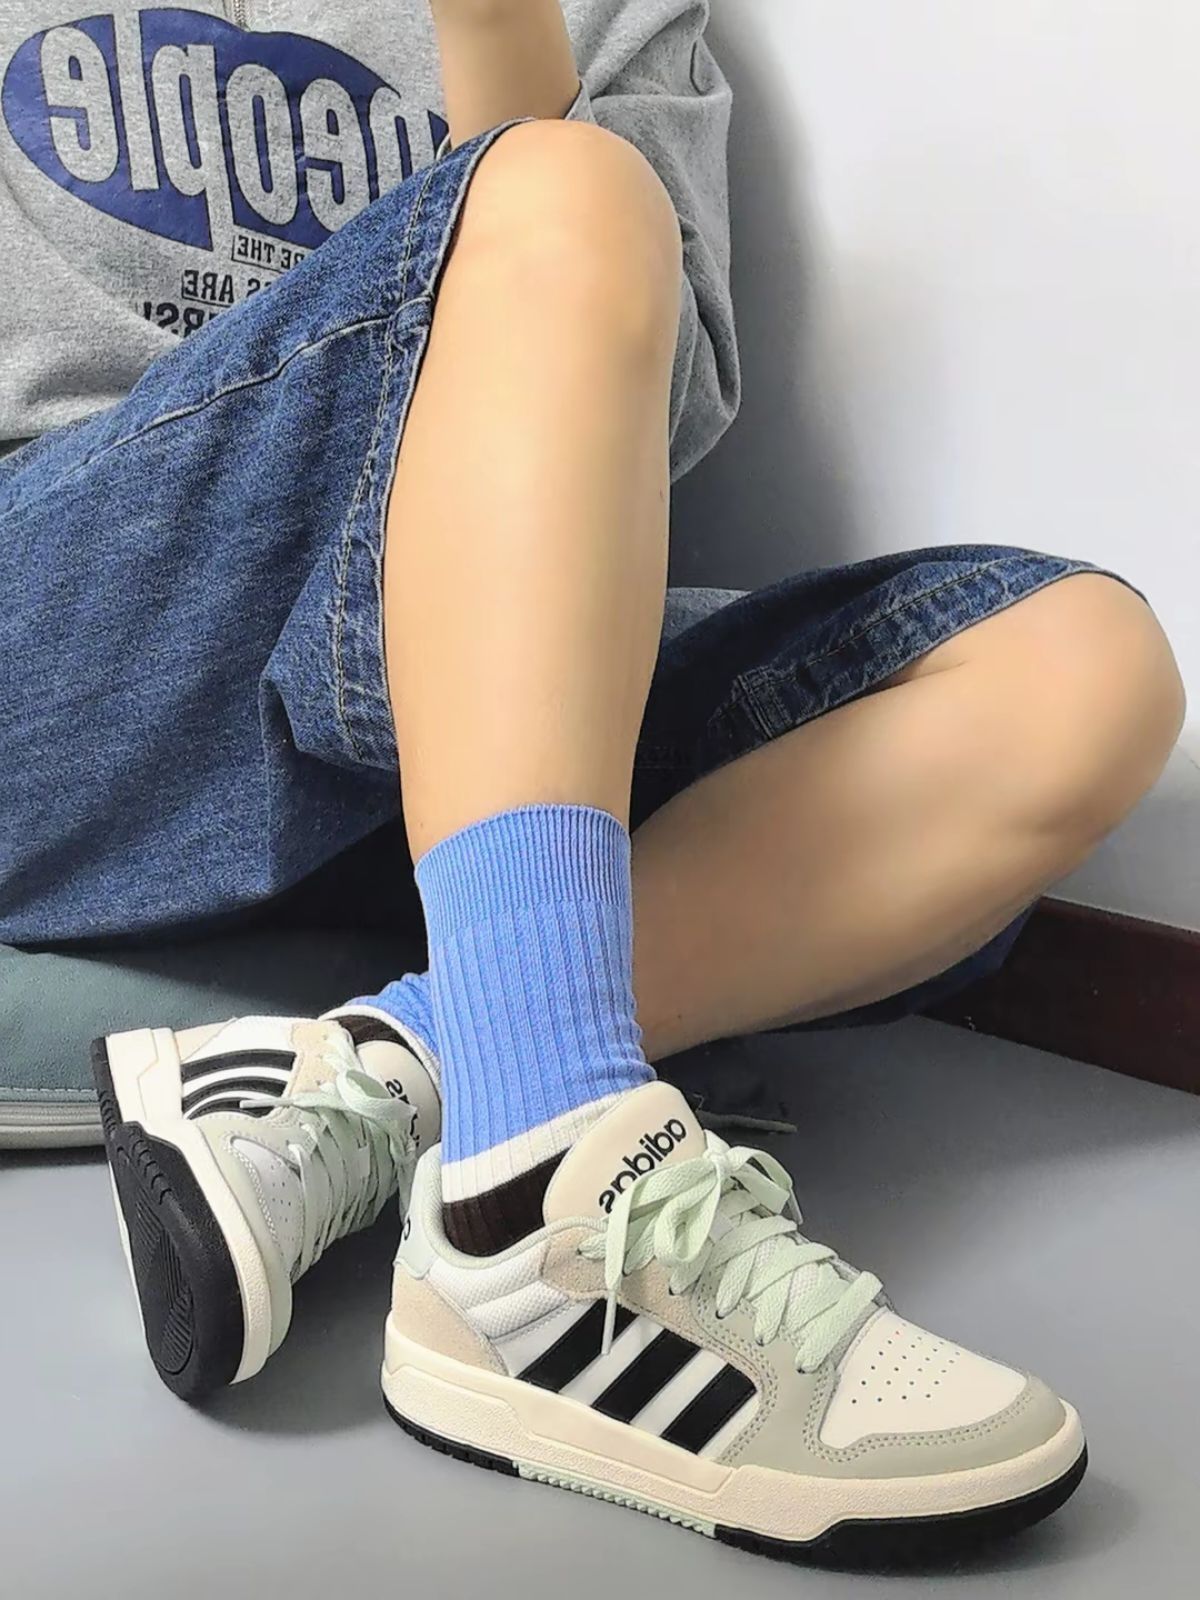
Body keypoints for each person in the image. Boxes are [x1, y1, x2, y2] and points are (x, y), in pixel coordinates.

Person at [2, 0, 1184, 1566]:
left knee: (1080, 673)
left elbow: (643, 410)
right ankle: (535, 1226)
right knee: (561, 190)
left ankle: (402, 1097)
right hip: (73, 643)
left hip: (462, 697)